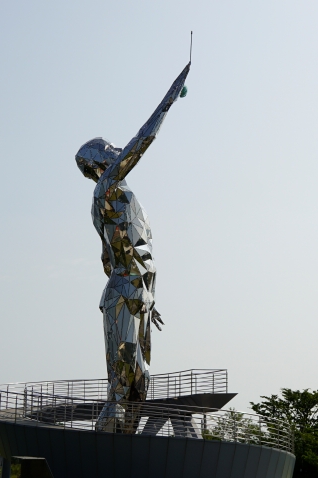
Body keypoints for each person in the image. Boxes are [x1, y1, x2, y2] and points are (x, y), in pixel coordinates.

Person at [74, 63, 190, 432]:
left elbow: (113, 258)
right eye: (108, 149)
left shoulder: (115, 197)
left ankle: (126, 448)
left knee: (140, 382)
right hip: (125, 294)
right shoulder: (106, 187)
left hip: (137, 295)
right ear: (98, 163)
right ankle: (102, 449)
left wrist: (149, 295)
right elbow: (141, 141)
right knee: (122, 385)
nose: (115, 150)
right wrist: (169, 98)